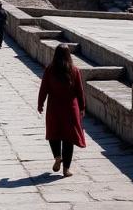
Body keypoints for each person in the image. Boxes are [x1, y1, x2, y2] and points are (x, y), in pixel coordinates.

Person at [37, 44, 86, 178]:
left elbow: (44, 89)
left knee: (54, 133)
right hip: (70, 109)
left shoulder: (50, 70)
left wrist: (40, 104)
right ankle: (66, 169)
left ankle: (57, 157)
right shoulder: (74, 70)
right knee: (68, 138)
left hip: (54, 107)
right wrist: (82, 107)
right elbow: (80, 92)